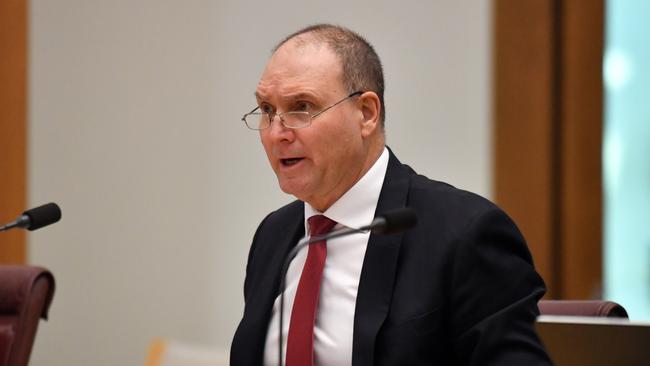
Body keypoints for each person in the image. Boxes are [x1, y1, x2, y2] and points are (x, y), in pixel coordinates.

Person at [231, 24, 551, 366]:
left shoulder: (465, 233)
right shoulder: (275, 235)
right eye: (266, 110)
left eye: (302, 107)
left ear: (367, 113)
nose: (277, 132)